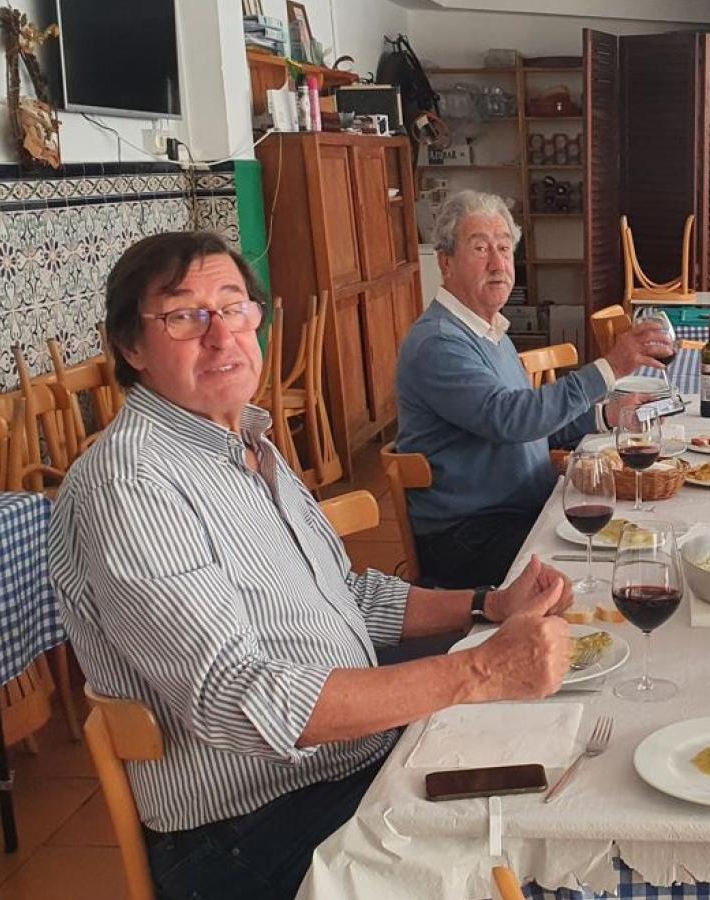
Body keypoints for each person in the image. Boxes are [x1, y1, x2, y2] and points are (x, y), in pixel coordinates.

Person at [50, 231, 578, 900]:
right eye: (185, 316)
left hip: (349, 764)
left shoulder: (247, 443)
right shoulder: (131, 483)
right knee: (539, 859)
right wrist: (476, 670)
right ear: (130, 346)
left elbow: (347, 595)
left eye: (235, 307)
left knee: (560, 779)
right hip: (250, 830)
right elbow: (236, 699)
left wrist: (488, 605)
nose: (221, 336)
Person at [396, 190, 672, 589]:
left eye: (505, 248)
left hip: (522, 511)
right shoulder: (439, 342)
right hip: (470, 536)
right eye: (480, 248)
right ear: (446, 262)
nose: (497, 263)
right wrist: (609, 368)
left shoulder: (489, 330)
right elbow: (511, 419)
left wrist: (607, 414)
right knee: (616, 571)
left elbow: (533, 423)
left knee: (647, 539)